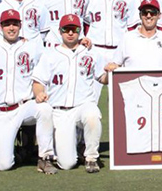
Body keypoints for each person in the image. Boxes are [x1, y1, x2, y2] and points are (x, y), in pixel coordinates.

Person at [0, 9, 55, 173]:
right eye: (7, 24)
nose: (11, 28)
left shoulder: (32, 46)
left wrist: (83, 43)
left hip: (24, 107)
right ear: (0, 27)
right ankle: (21, 150)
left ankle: (45, 157)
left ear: (20, 26)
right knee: (4, 165)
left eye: (15, 24)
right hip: (0, 113)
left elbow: (55, 55)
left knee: (44, 108)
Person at [33, 14, 108, 173]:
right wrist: (39, 93)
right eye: (66, 29)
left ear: (80, 31)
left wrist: (114, 71)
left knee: (93, 114)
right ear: (60, 31)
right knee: (67, 163)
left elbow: (103, 78)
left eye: (74, 29)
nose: (70, 33)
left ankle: (91, 157)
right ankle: (70, 150)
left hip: (83, 105)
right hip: (60, 111)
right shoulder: (50, 54)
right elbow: (38, 81)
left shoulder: (90, 53)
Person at [85, 0, 138, 103]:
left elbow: (133, 28)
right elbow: (84, 23)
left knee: (120, 101)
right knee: (89, 99)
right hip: (95, 50)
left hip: (118, 52)